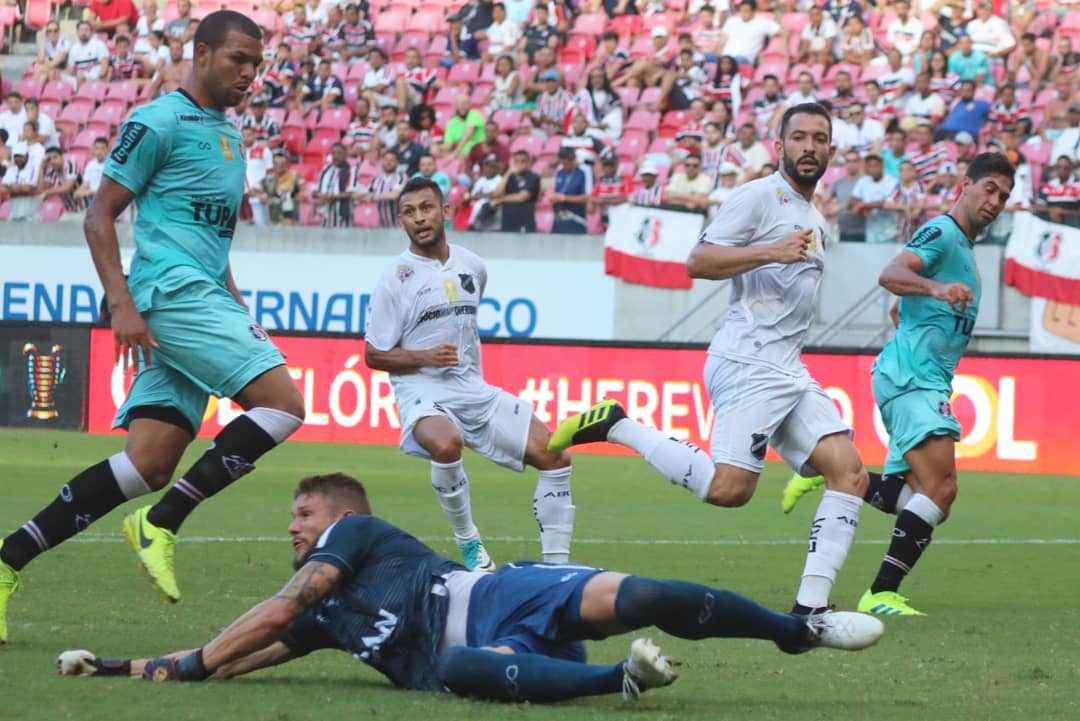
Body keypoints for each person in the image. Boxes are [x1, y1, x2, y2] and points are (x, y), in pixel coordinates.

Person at [0, 11, 307, 644]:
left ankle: (6, 563)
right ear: (201, 54)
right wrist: (121, 304)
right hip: (168, 294)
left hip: (202, 293)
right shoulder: (157, 120)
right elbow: (99, 216)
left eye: (256, 63)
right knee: (283, 404)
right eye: (237, 60)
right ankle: (161, 523)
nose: (249, 73)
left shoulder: (229, 133)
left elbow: (212, 241)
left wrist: (236, 302)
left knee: (148, 462)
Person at [56, 473, 884, 700]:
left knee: (647, 596)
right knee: (455, 672)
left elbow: (278, 609)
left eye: (302, 513)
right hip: (480, 656)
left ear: (341, 513)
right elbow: (243, 654)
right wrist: (125, 667)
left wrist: (199, 662)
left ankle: (792, 628)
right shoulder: (327, 619)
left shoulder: (355, 535)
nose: (293, 527)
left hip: (495, 597)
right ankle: (619, 680)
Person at [548, 104, 872, 620]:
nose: (809, 147)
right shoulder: (758, 197)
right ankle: (619, 425)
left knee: (849, 473)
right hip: (748, 362)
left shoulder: (814, 216)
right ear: (779, 145)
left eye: (820, 139)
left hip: (788, 366)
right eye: (800, 138)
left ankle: (810, 610)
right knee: (728, 491)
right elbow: (698, 261)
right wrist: (770, 251)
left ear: (831, 150)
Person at [780, 153, 1015, 616]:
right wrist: (935, 290)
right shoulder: (943, 232)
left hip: (920, 377)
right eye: (988, 188)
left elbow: (901, 301)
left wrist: (916, 308)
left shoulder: (963, 247)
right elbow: (891, 273)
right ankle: (881, 592)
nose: (995, 201)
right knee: (941, 489)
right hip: (915, 378)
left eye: (1004, 196)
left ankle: (826, 471)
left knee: (916, 497)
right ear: (964, 185)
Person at [363, 178, 577, 571]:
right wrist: (424, 355)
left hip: (472, 387)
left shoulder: (472, 265)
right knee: (446, 443)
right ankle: (470, 543)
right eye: (409, 213)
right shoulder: (394, 279)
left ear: (446, 211)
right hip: (421, 390)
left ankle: (556, 569)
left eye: (427, 208)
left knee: (556, 456)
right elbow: (373, 355)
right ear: (401, 222)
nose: (419, 219)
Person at [493, 149, 540, 232]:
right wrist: (507, 174)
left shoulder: (533, 177)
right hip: (508, 221)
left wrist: (500, 200)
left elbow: (522, 197)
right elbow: (496, 194)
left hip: (525, 222)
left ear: (529, 163)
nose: (520, 164)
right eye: (517, 161)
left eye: (523, 161)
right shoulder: (510, 177)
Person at [312, 142, 356, 228]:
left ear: (345, 154)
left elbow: (351, 193)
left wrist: (331, 197)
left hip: (342, 215)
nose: (336, 156)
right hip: (324, 215)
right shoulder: (326, 170)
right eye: (333, 153)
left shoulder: (351, 171)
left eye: (339, 153)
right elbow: (315, 190)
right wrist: (319, 195)